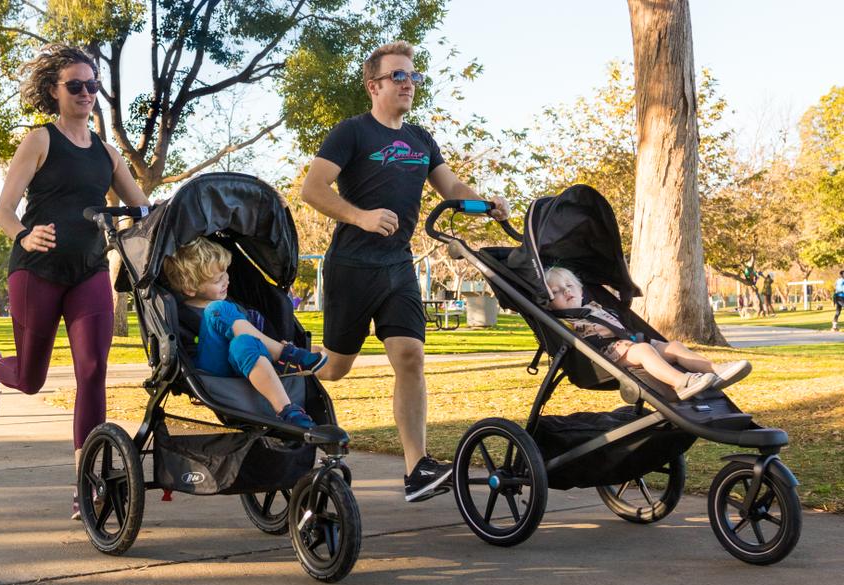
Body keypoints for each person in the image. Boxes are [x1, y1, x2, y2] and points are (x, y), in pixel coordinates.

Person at [300, 40, 510, 502]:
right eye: (398, 76)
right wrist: (361, 216)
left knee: (411, 357)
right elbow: (311, 189)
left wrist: (485, 204)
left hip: (397, 266)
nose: (408, 83)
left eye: (413, 76)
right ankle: (281, 392)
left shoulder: (420, 139)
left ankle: (416, 469)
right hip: (352, 266)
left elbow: (451, 186)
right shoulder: (351, 133)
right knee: (335, 368)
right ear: (374, 85)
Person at [0, 45, 151, 519]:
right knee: (31, 379)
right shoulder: (39, 141)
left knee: (92, 372)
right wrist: (25, 236)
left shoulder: (108, 154)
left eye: (93, 86)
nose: (87, 93)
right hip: (37, 272)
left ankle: (87, 484)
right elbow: (4, 211)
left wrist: (155, 223)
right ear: (55, 90)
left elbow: (142, 208)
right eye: (76, 85)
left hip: (89, 271)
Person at [162, 238, 327, 428]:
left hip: (246, 360)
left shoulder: (238, 307)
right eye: (217, 280)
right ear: (191, 289)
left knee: (243, 342)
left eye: (225, 272)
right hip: (211, 367)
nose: (226, 280)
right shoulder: (180, 313)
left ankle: (287, 410)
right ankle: (286, 354)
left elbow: (255, 334)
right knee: (216, 310)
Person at [545, 266, 751, 401]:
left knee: (674, 346)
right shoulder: (562, 320)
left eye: (569, 286)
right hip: (602, 356)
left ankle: (715, 370)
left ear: (581, 290)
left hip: (628, 342)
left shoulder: (594, 306)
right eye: (555, 291)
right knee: (644, 350)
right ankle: (681, 382)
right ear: (548, 301)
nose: (566, 291)